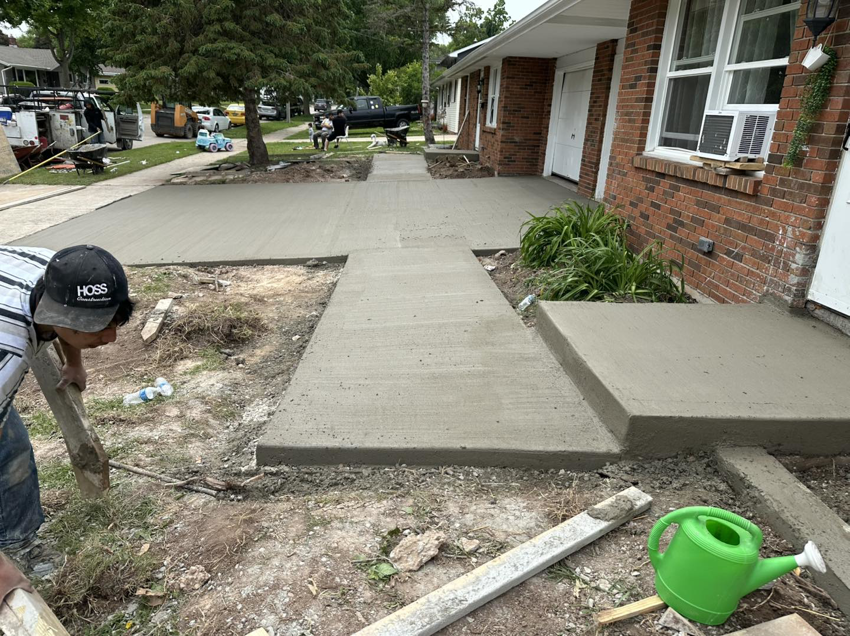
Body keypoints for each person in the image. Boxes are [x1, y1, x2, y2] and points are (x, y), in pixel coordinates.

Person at [0, 245, 133, 575]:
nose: (112, 336)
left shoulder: (62, 270)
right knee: (9, 451)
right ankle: (15, 548)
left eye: (113, 320)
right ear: (56, 318)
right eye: (97, 327)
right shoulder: (9, 353)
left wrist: (73, 363)